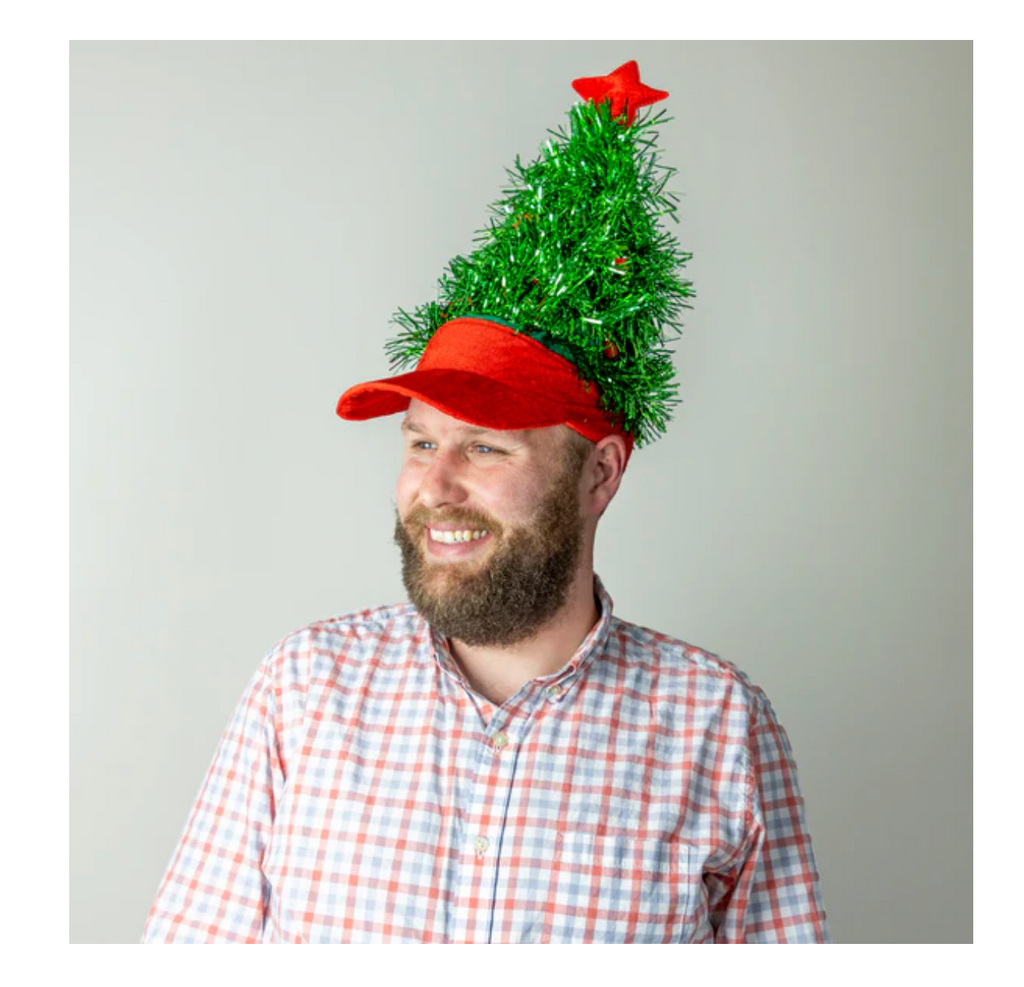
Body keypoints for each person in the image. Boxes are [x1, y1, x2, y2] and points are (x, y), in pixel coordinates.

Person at [143, 61, 830, 944]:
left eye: (486, 446)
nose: (435, 485)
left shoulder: (719, 724)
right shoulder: (303, 692)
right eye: (421, 441)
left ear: (602, 475)